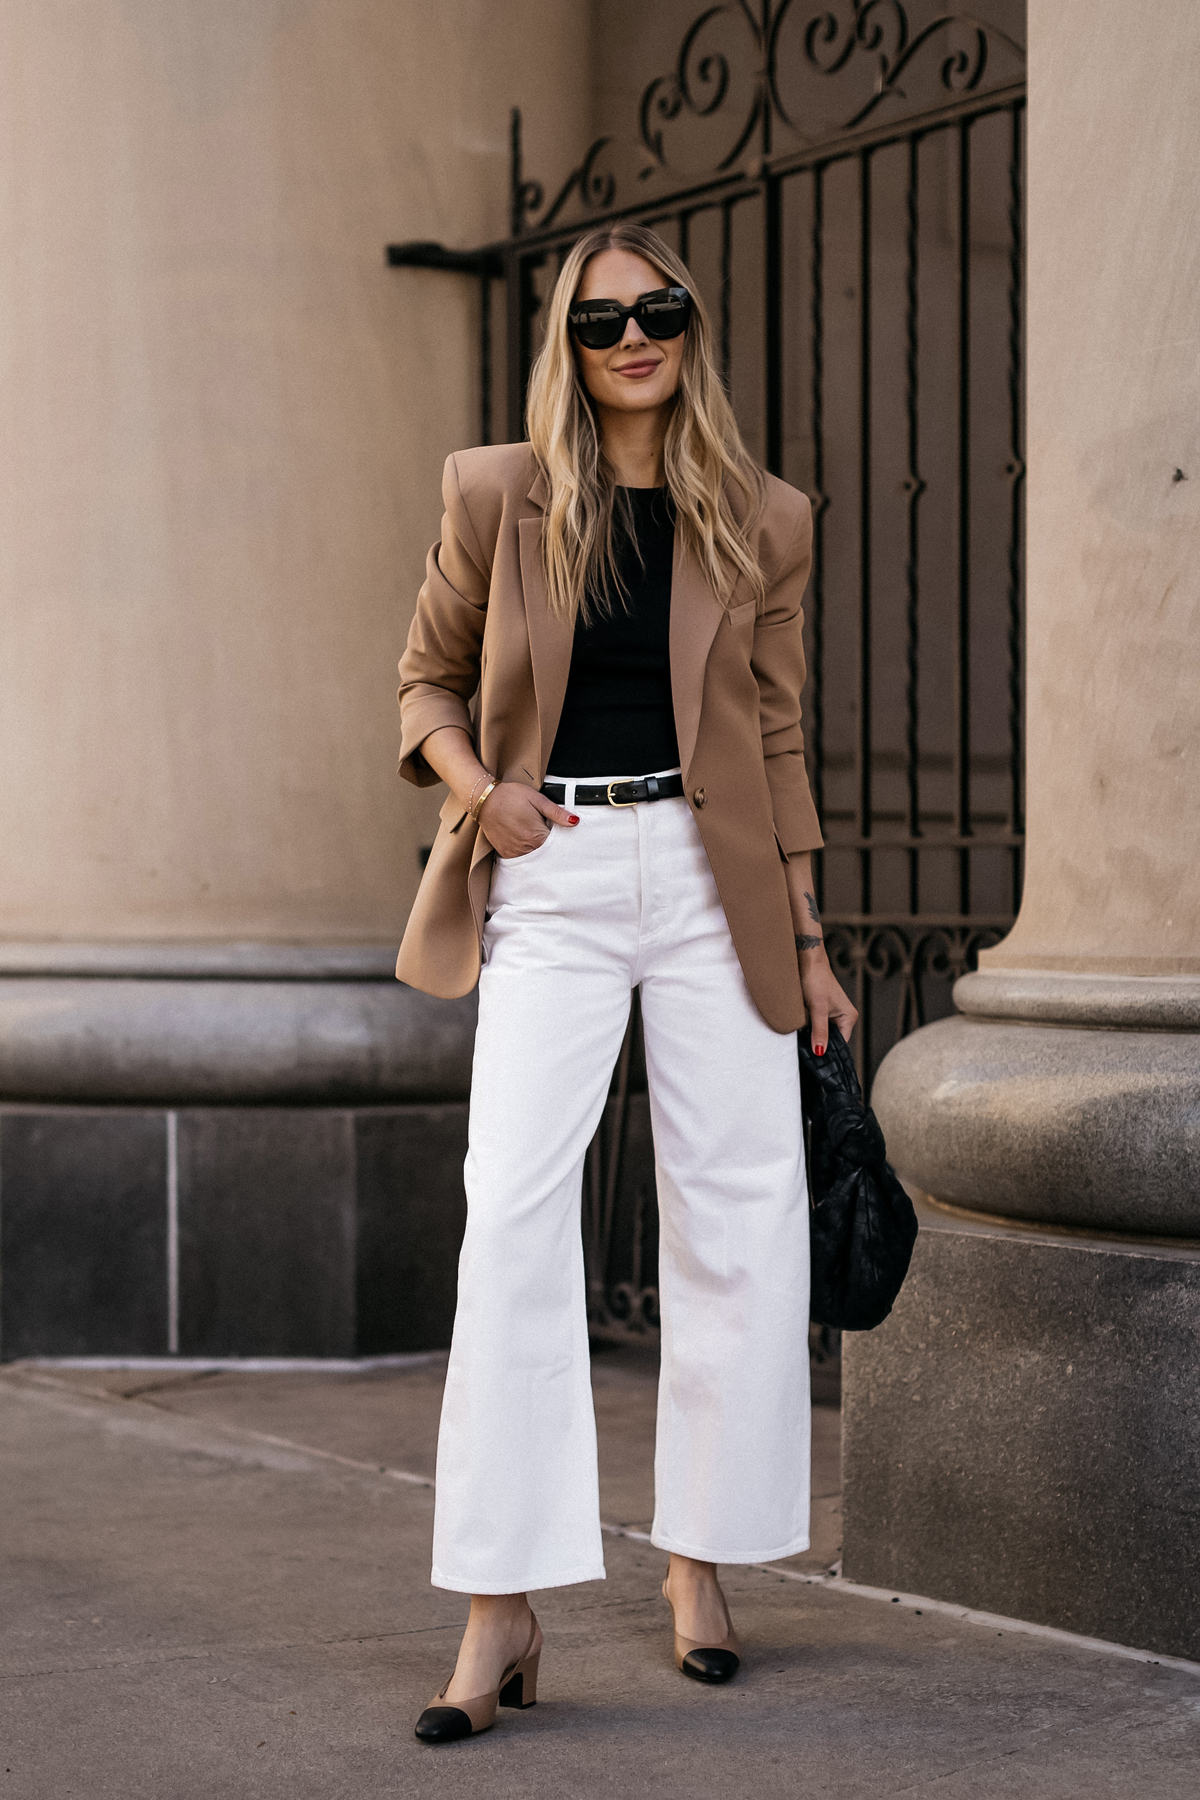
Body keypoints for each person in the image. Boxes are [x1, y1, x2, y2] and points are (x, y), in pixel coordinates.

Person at [396, 222, 857, 1744]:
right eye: (604, 321)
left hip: (711, 878)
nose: (635, 337)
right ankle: (500, 1603)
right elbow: (426, 682)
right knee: (515, 1216)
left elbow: (778, 737)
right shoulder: (498, 491)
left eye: (660, 312)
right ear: (568, 343)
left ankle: (698, 1565)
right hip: (558, 870)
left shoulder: (762, 516)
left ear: (691, 327)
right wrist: (482, 795)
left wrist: (809, 937)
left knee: (734, 1211)